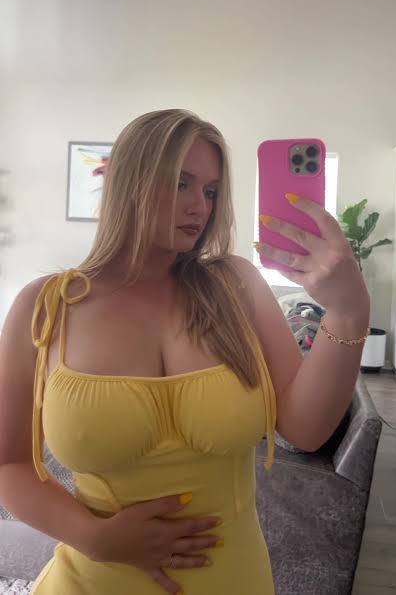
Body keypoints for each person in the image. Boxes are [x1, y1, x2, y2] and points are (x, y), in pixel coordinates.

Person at [0, 109, 370, 595]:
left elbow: (307, 430)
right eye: (181, 184)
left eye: (211, 191)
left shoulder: (236, 285)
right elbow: (9, 465)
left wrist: (348, 311)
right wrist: (94, 538)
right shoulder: (45, 307)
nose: (200, 206)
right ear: (130, 182)